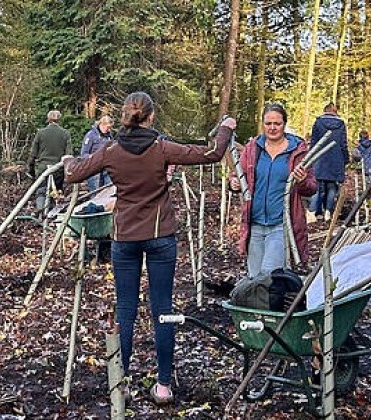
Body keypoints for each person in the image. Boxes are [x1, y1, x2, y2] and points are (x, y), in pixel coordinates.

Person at [62, 92, 236, 405]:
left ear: (125, 116)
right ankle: (164, 386)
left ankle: (122, 384)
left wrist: (66, 160)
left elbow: (74, 172)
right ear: (151, 117)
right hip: (160, 237)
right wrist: (226, 126)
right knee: (163, 311)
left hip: (125, 239)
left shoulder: (111, 150)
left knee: (126, 312)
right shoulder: (162, 148)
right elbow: (212, 152)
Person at [232, 103, 316, 279]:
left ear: (284, 124)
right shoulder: (253, 148)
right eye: (268, 123)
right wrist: (235, 183)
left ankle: (271, 306)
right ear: (263, 124)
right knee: (254, 277)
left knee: (269, 275)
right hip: (254, 223)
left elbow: (311, 187)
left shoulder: (297, 151)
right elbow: (238, 174)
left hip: (281, 224)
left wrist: (301, 182)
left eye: (277, 123)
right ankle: (260, 306)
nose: (272, 128)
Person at [309, 103, 348, 221]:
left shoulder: (318, 123)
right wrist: (346, 158)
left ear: (324, 110)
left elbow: (313, 142)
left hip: (319, 159)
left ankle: (313, 212)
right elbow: (343, 143)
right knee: (332, 188)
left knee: (318, 187)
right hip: (336, 160)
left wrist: (310, 158)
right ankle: (328, 212)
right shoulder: (341, 124)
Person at [28, 110, 72, 214]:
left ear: (48, 119)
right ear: (59, 119)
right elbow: (69, 155)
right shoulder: (65, 133)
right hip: (58, 169)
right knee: (55, 191)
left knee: (41, 191)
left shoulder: (40, 133)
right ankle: (52, 215)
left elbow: (33, 154)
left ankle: (41, 214)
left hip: (43, 168)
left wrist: (31, 170)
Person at [80, 115, 114, 191]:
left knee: (108, 192)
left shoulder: (109, 136)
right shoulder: (90, 135)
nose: (109, 130)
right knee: (95, 194)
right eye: (108, 127)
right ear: (102, 124)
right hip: (94, 170)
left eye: (110, 128)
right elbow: (84, 154)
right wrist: (94, 157)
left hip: (106, 169)